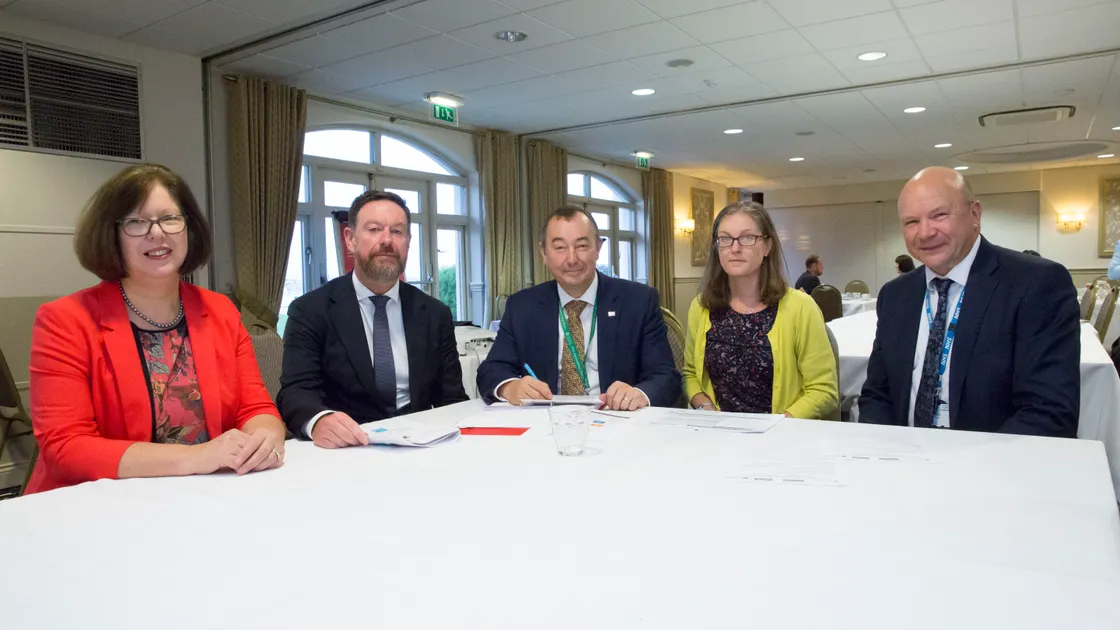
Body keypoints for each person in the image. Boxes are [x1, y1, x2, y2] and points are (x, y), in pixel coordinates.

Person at [27, 165, 285, 494]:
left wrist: (266, 438)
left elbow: (256, 408)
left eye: (170, 218)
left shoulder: (220, 310)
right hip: (97, 506)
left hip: (205, 497)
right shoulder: (65, 320)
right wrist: (195, 458)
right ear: (112, 234)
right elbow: (66, 448)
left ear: (189, 229)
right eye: (136, 222)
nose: (157, 233)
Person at [859, 167, 1079, 437]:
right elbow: (877, 395)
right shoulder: (895, 295)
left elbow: (1049, 411)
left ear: (975, 214)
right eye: (911, 222)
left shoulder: (1035, 284)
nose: (925, 232)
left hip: (995, 467)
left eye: (939, 215)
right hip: (906, 462)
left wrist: (967, 467)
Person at [278, 190, 468, 448]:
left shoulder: (435, 314)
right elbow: (296, 392)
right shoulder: (311, 310)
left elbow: (451, 398)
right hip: (347, 448)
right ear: (350, 239)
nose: (387, 240)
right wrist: (320, 420)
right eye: (374, 229)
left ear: (408, 242)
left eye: (398, 231)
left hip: (421, 447)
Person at [477, 206, 679, 409]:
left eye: (582, 246)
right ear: (543, 253)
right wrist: (510, 387)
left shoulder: (638, 301)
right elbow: (491, 370)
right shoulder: (522, 306)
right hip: (546, 426)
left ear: (598, 248)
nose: (572, 259)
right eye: (560, 248)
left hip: (616, 421)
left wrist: (639, 394)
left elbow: (665, 376)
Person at [683, 201, 837, 418]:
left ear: (767, 246)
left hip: (782, 438)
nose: (735, 248)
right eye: (725, 239)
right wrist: (704, 406)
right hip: (717, 437)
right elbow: (690, 374)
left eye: (747, 238)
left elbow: (823, 390)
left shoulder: (801, 308)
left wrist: (778, 426)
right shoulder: (701, 306)